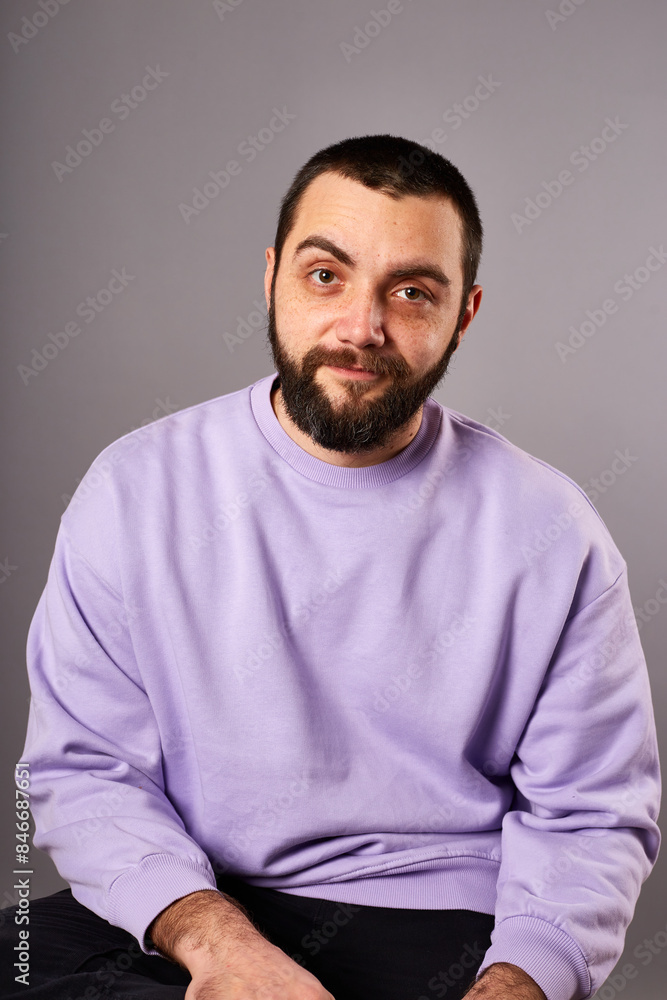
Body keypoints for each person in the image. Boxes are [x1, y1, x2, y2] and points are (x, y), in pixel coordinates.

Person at [1, 134, 660, 1000]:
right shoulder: (134, 487)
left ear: (463, 315)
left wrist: (513, 985)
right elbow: (86, 770)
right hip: (192, 897)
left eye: (411, 292)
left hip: (437, 924)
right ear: (272, 277)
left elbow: (592, 816)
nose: (360, 327)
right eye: (325, 276)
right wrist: (219, 945)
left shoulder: (550, 530)